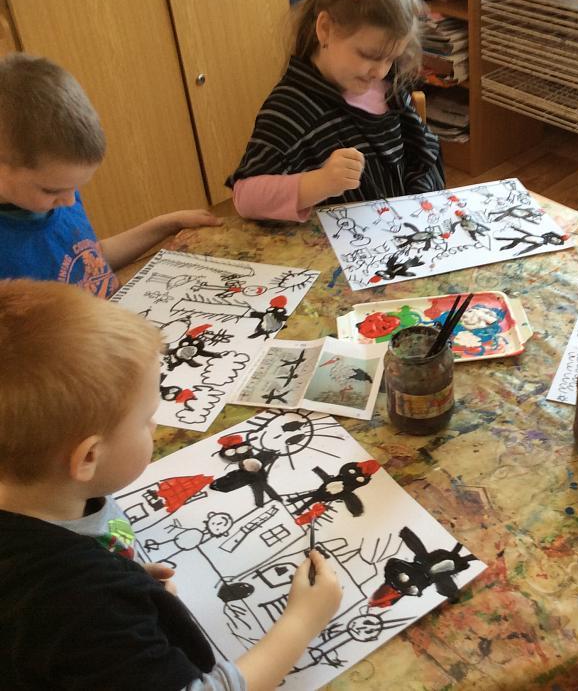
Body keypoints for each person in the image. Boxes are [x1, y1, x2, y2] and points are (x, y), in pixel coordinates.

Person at [0, 280, 344, 690]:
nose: (156, 425)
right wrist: (303, 622)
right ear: (88, 457)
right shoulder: (83, 604)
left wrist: (127, 578)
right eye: (147, 418)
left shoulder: (42, 508)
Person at [227, 0, 445, 222]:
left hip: (394, 232)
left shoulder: (389, 86)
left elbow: (419, 157)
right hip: (337, 242)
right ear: (325, 29)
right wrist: (320, 182)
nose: (380, 71)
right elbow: (245, 198)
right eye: (369, 55)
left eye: (390, 58)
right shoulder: (290, 108)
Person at [0, 53, 221, 298]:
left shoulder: (60, 195)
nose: (70, 201)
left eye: (75, 187)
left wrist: (167, 224)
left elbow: (93, 258)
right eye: (51, 190)